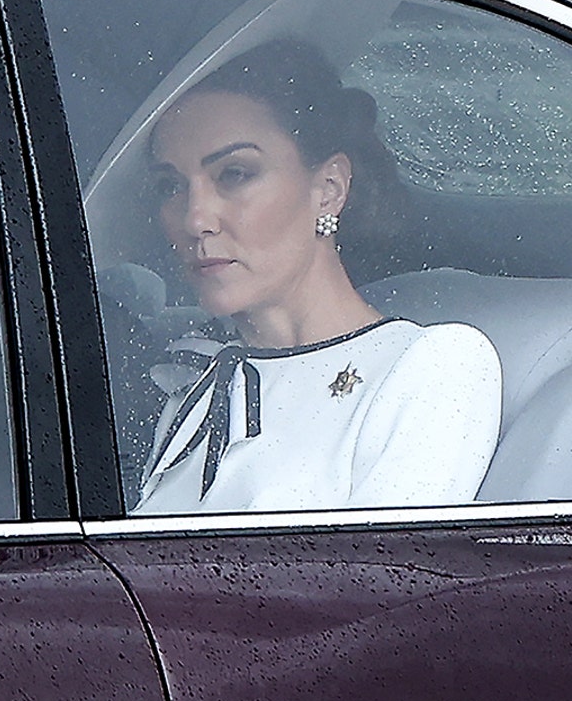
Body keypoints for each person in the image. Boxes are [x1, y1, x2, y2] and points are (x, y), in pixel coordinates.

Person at [133, 39, 501, 514]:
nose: (195, 218)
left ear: (328, 189)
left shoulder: (431, 367)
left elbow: (383, 581)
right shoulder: (200, 382)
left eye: (235, 174)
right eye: (170, 186)